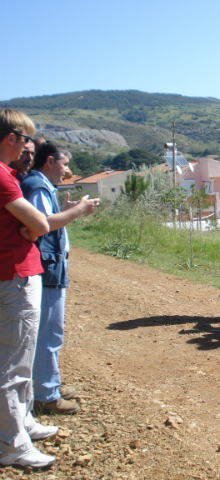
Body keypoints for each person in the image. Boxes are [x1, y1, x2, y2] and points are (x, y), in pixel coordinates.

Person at [21, 141, 99, 415]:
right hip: (47, 268)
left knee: (44, 330)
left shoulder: (38, 185)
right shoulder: (39, 186)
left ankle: (45, 383)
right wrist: (79, 210)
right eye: (65, 165)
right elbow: (42, 224)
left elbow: (48, 219)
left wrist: (66, 210)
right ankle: (46, 393)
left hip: (46, 266)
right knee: (49, 331)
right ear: (50, 162)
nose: (67, 171)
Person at [0, 109, 56, 469]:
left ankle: (24, 423)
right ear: (10, 138)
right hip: (14, 276)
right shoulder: (3, 178)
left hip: (16, 274)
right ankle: (12, 444)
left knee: (20, 355)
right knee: (13, 365)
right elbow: (38, 223)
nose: (27, 146)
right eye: (25, 139)